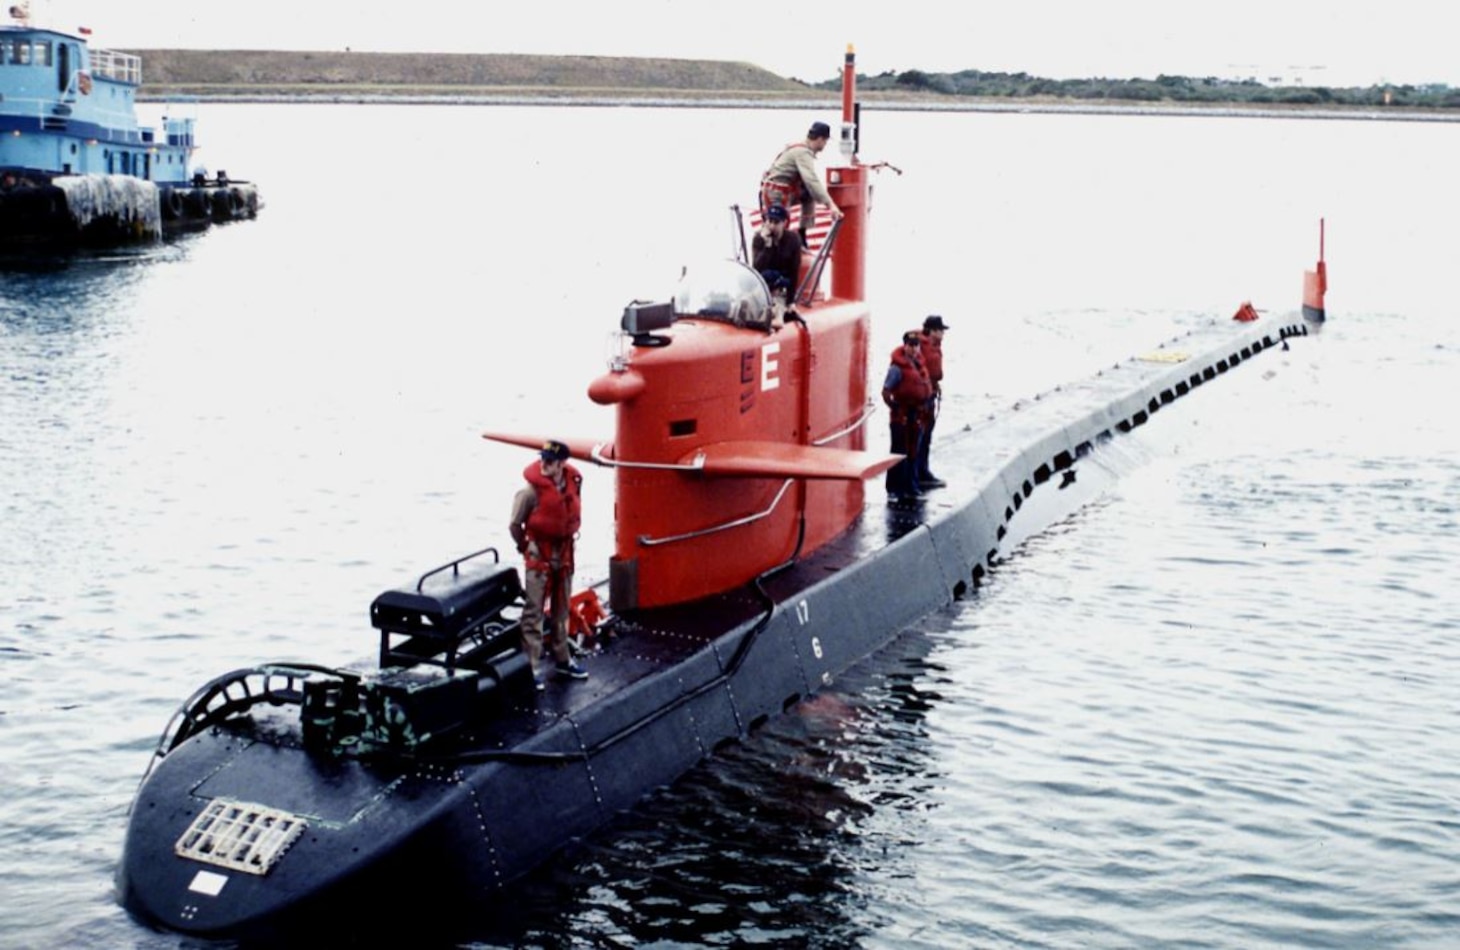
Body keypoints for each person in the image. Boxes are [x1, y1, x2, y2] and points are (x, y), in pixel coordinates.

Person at [508, 439, 589, 689]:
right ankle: (531, 667)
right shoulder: (529, 493)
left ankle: (562, 659)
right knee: (533, 612)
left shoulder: (573, 484)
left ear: (562, 464)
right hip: (539, 557)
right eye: (542, 458)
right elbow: (515, 525)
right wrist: (525, 548)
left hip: (564, 555)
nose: (544, 464)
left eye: (550, 461)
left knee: (561, 610)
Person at [759, 120, 845, 247]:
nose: (825, 144)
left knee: (808, 196)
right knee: (777, 225)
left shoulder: (798, 146)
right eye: (825, 141)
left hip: (783, 190)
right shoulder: (803, 153)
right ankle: (769, 248)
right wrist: (830, 205)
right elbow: (811, 180)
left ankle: (802, 233)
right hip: (776, 192)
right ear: (820, 139)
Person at [881, 329, 933, 503]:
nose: (914, 349)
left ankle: (911, 486)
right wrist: (895, 408)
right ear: (905, 346)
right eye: (910, 345)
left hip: (917, 416)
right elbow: (886, 391)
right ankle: (894, 489)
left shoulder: (919, 364)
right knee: (898, 452)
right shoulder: (897, 368)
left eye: (916, 345)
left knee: (913, 452)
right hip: (902, 417)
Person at [917, 315, 950, 489]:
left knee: (923, 438)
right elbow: (935, 372)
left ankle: (921, 474)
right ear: (932, 331)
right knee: (921, 439)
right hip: (924, 399)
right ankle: (919, 476)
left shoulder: (925, 345)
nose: (943, 334)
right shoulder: (927, 348)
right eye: (940, 330)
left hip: (927, 395)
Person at [751, 204, 803, 301]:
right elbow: (756, 268)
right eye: (770, 221)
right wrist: (767, 246)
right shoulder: (759, 238)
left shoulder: (793, 239)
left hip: (781, 285)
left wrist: (791, 301)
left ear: (784, 223)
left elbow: (794, 271)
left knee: (777, 310)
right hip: (763, 285)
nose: (772, 226)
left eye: (776, 222)